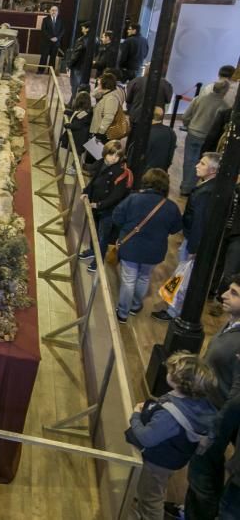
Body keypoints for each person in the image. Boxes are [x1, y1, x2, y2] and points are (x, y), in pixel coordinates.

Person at [125, 352, 217, 520]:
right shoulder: (202, 404)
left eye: (171, 371)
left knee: (151, 498)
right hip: (172, 458)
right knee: (156, 488)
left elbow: (146, 438)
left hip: (156, 462)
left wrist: (136, 415)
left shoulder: (170, 415)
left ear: (178, 382)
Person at [183, 275, 240, 519]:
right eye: (229, 290)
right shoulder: (232, 323)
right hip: (208, 410)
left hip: (215, 417)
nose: (225, 295)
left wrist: (214, 430)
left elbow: (236, 397)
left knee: (202, 471)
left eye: (235, 293)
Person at [154, 153, 221, 322]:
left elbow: (199, 221)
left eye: (202, 163)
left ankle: (173, 311)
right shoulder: (207, 187)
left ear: (213, 170)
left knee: (182, 276)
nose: (197, 165)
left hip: (192, 241)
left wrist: (192, 247)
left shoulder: (206, 192)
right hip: (191, 239)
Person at [111, 168, 182, 323]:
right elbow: (175, 228)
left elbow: (116, 217)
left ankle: (122, 313)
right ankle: (136, 305)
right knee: (144, 277)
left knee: (129, 279)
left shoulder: (133, 199)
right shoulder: (171, 206)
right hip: (154, 251)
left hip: (131, 246)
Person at [78, 141, 133, 273]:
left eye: (117, 155)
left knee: (103, 237)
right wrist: (86, 191)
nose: (113, 158)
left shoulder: (121, 172)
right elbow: (94, 181)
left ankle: (98, 261)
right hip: (95, 205)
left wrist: (99, 205)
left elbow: (116, 196)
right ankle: (92, 251)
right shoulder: (102, 163)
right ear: (105, 153)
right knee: (94, 231)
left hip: (108, 211)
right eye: (111, 154)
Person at [181, 81, 230, 195]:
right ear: (225, 91)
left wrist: (189, 125)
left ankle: (185, 185)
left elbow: (185, 116)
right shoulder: (224, 106)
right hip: (207, 138)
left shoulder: (199, 99)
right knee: (201, 162)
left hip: (193, 133)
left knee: (188, 160)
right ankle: (188, 187)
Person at [88, 71, 125, 151]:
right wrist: (99, 86)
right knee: (93, 153)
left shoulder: (111, 98)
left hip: (103, 132)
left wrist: (100, 132)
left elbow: (108, 117)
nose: (98, 85)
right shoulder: (107, 92)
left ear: (105, 85)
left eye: (99, 84)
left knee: (97, 153)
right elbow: (94, 94)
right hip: (100, 129)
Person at [61, 90, 92, 176]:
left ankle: (74, 169)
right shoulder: (85, 111)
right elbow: (76, 115)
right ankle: (74, 167)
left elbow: (78, 125)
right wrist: (68, 112)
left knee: (77, 155)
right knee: (77, 154)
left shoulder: (85, 113)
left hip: (80, 140)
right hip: (79, 138)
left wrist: (68, 125)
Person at [143, 106, 177, 173]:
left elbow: (143, 156)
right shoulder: (171, 132)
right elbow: (170, 155)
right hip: (162, 171)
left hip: (147, 173)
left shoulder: (147, 133)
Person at [66, 22, 92, 98]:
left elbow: (76, 54)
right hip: (86, 68)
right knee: (82, 86)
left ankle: (74, 104)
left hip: (78, 66)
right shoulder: (96, 40)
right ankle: (72, 103)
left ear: (87, 29)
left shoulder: (82, 40)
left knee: (75, 86)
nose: (81, 29)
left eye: (83, 28)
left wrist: (69, 64)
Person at [39, 5, 64, 70]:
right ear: (50, 11)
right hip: (46, 42)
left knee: (53, 58)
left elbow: (62, 31)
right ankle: (40, 70)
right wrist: (50, 38)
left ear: (58, 12)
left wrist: (57, 38)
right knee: (44, 57)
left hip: (56, 42)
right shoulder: (45, 20)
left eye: (55, 10)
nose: (54, 12)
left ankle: (50, 72)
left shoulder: (60, 20)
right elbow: (43, 30)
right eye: (52, 10)